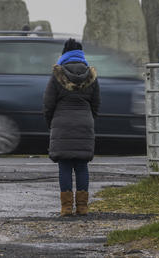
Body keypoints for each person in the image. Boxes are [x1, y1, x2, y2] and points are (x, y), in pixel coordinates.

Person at [43, 38, 100, 216]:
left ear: (64, 54)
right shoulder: (91, 76)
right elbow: (96, 105)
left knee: (65, 166)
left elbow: (48, 105)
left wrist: (51, 124)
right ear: (81, 54)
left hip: (62, 124)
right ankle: (82, 207)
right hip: (85, 123)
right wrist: (89, 120)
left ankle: (66, 208)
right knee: (82, 166)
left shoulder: (57, 75)